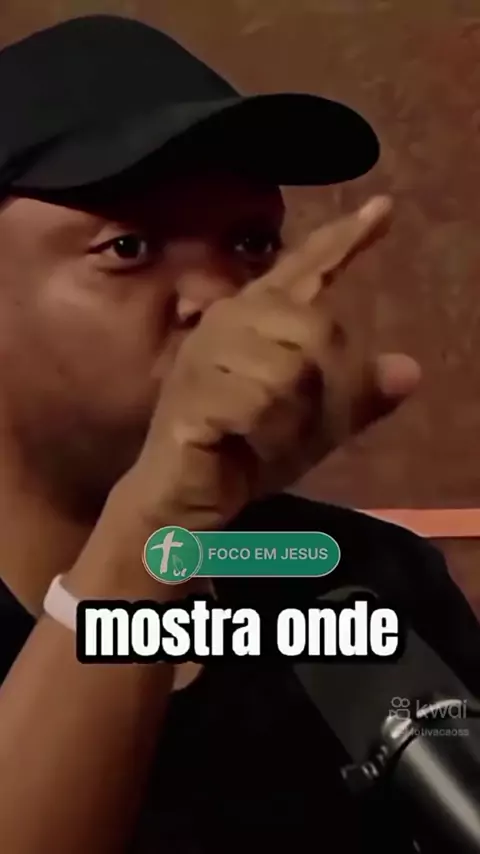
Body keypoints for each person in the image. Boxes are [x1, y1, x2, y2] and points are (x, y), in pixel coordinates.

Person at [0, 13, 478, 854]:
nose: (221, 299)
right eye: (128, 246)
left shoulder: (359, 582)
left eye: (252, 242)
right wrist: (157, 522)